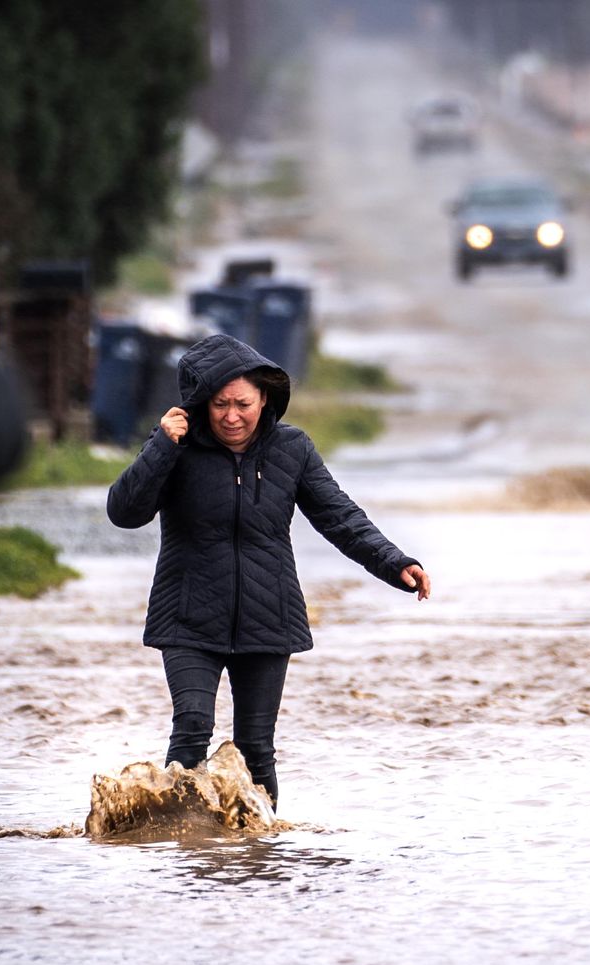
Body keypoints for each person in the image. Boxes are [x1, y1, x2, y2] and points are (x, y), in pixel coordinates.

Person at [106, 334, 429, 808]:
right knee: (191, 730)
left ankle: (258, 855)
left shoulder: (292, 448)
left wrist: (395, 563)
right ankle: (182, 853)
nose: (231, 416)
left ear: (265, 400)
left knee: (256, 749)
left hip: (268, 615)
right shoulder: (175, 448)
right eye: (219, 404)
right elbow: (124, 512)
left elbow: (340, 516)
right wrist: (161, 445)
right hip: (188, 615)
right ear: (200, 404)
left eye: (243, 404)